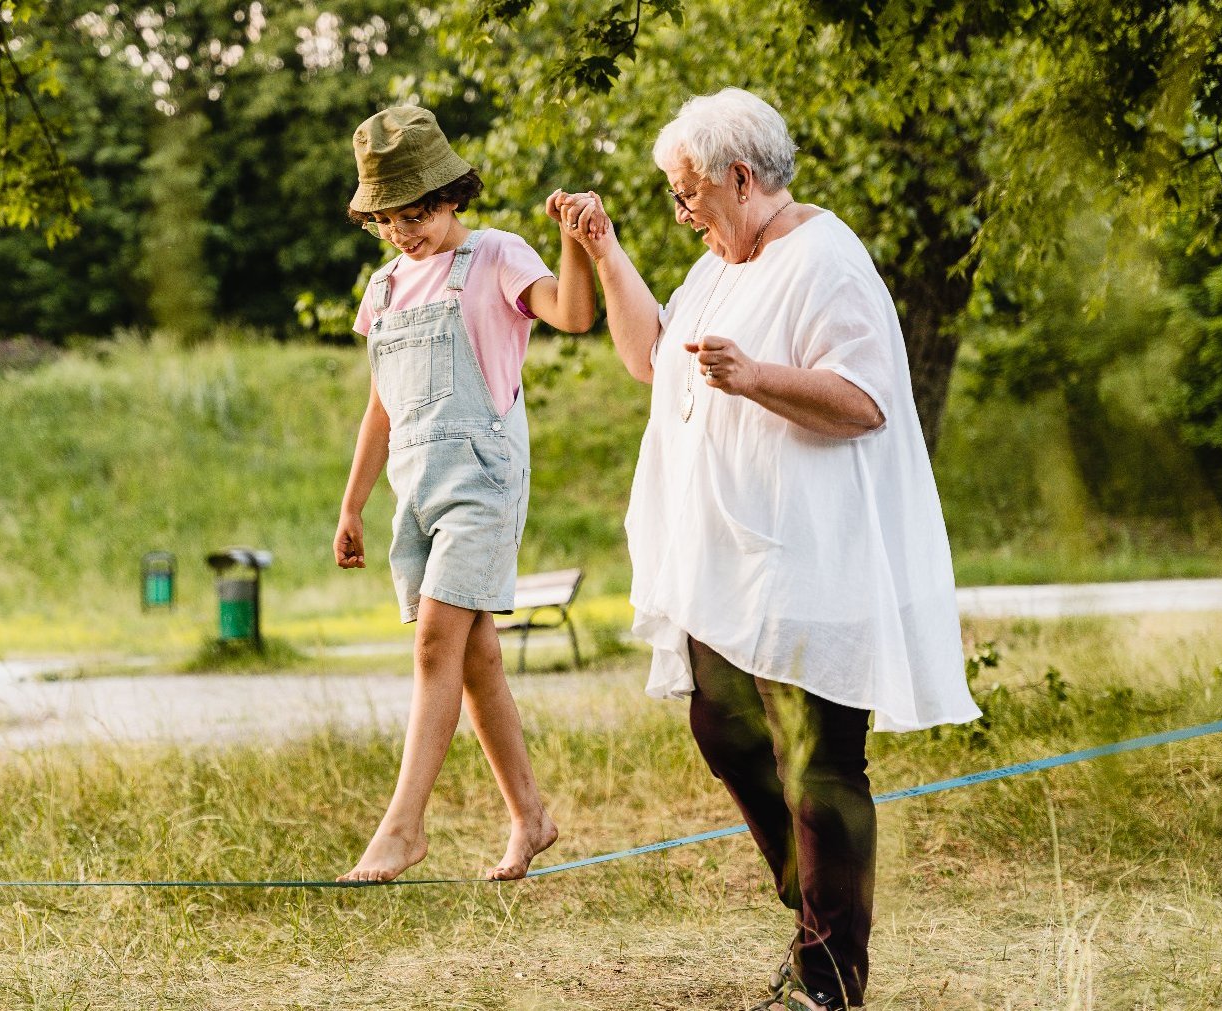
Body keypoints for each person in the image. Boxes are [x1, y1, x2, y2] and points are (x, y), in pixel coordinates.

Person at [557, 88, 981, 1009]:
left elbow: (864, 400)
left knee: (821, 766)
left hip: (812, 564)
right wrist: (605, 250)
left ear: (739, 178)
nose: (683, 212)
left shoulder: (827, 259)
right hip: (728, 570)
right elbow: (651, 357)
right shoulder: (721, 264)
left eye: (686, 193)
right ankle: (823, 913)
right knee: (725, 730)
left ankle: (830, 973)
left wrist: (754, 378)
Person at [332, 106, 598, 883]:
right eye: (387, 218)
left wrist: (575, 245)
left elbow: (574, 314)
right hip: (414, 490)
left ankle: (402, 827)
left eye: (415, 213)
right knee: (475, 653)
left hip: (481, 479)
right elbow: (380, 406)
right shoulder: (382, 288)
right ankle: (531, 816)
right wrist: (352, 503)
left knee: (434, 644)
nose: (402, 231)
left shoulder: (495, 256)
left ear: (451, 196)